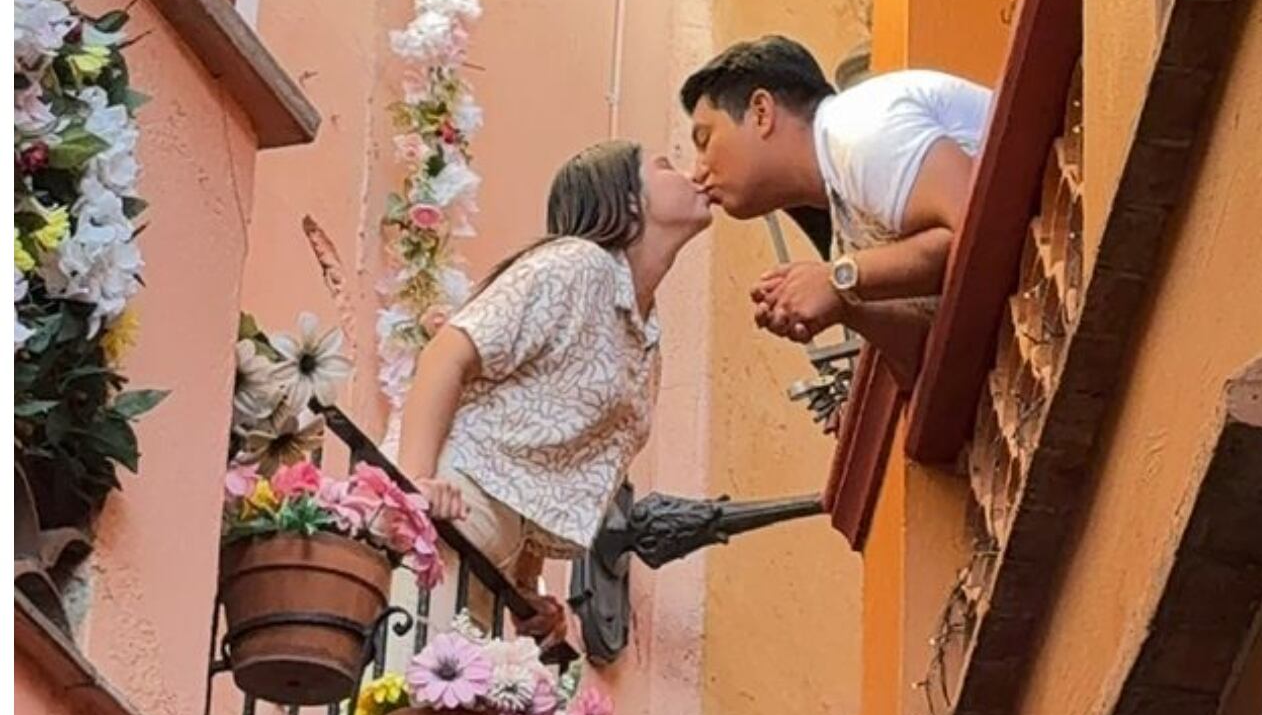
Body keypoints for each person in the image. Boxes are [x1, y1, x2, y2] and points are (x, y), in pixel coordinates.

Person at [391, 141, 713, 641]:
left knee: (432, 680)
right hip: (451, 501)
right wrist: (415, 483)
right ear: (629, 200)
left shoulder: (647, 335)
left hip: (495, 541)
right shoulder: (576, 266)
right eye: (666, 166)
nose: (691, 174)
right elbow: (446, 354)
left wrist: (525, 587)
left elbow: (554, 463)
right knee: (407, 672)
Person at [680, 35, 992, 379]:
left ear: (761, 112)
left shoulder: (860, 130)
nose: (697, 172)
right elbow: (924, 360)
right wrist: (847, 307)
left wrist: (840, 277)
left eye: (704, 140)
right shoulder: (843, 211)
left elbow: (985, 230)